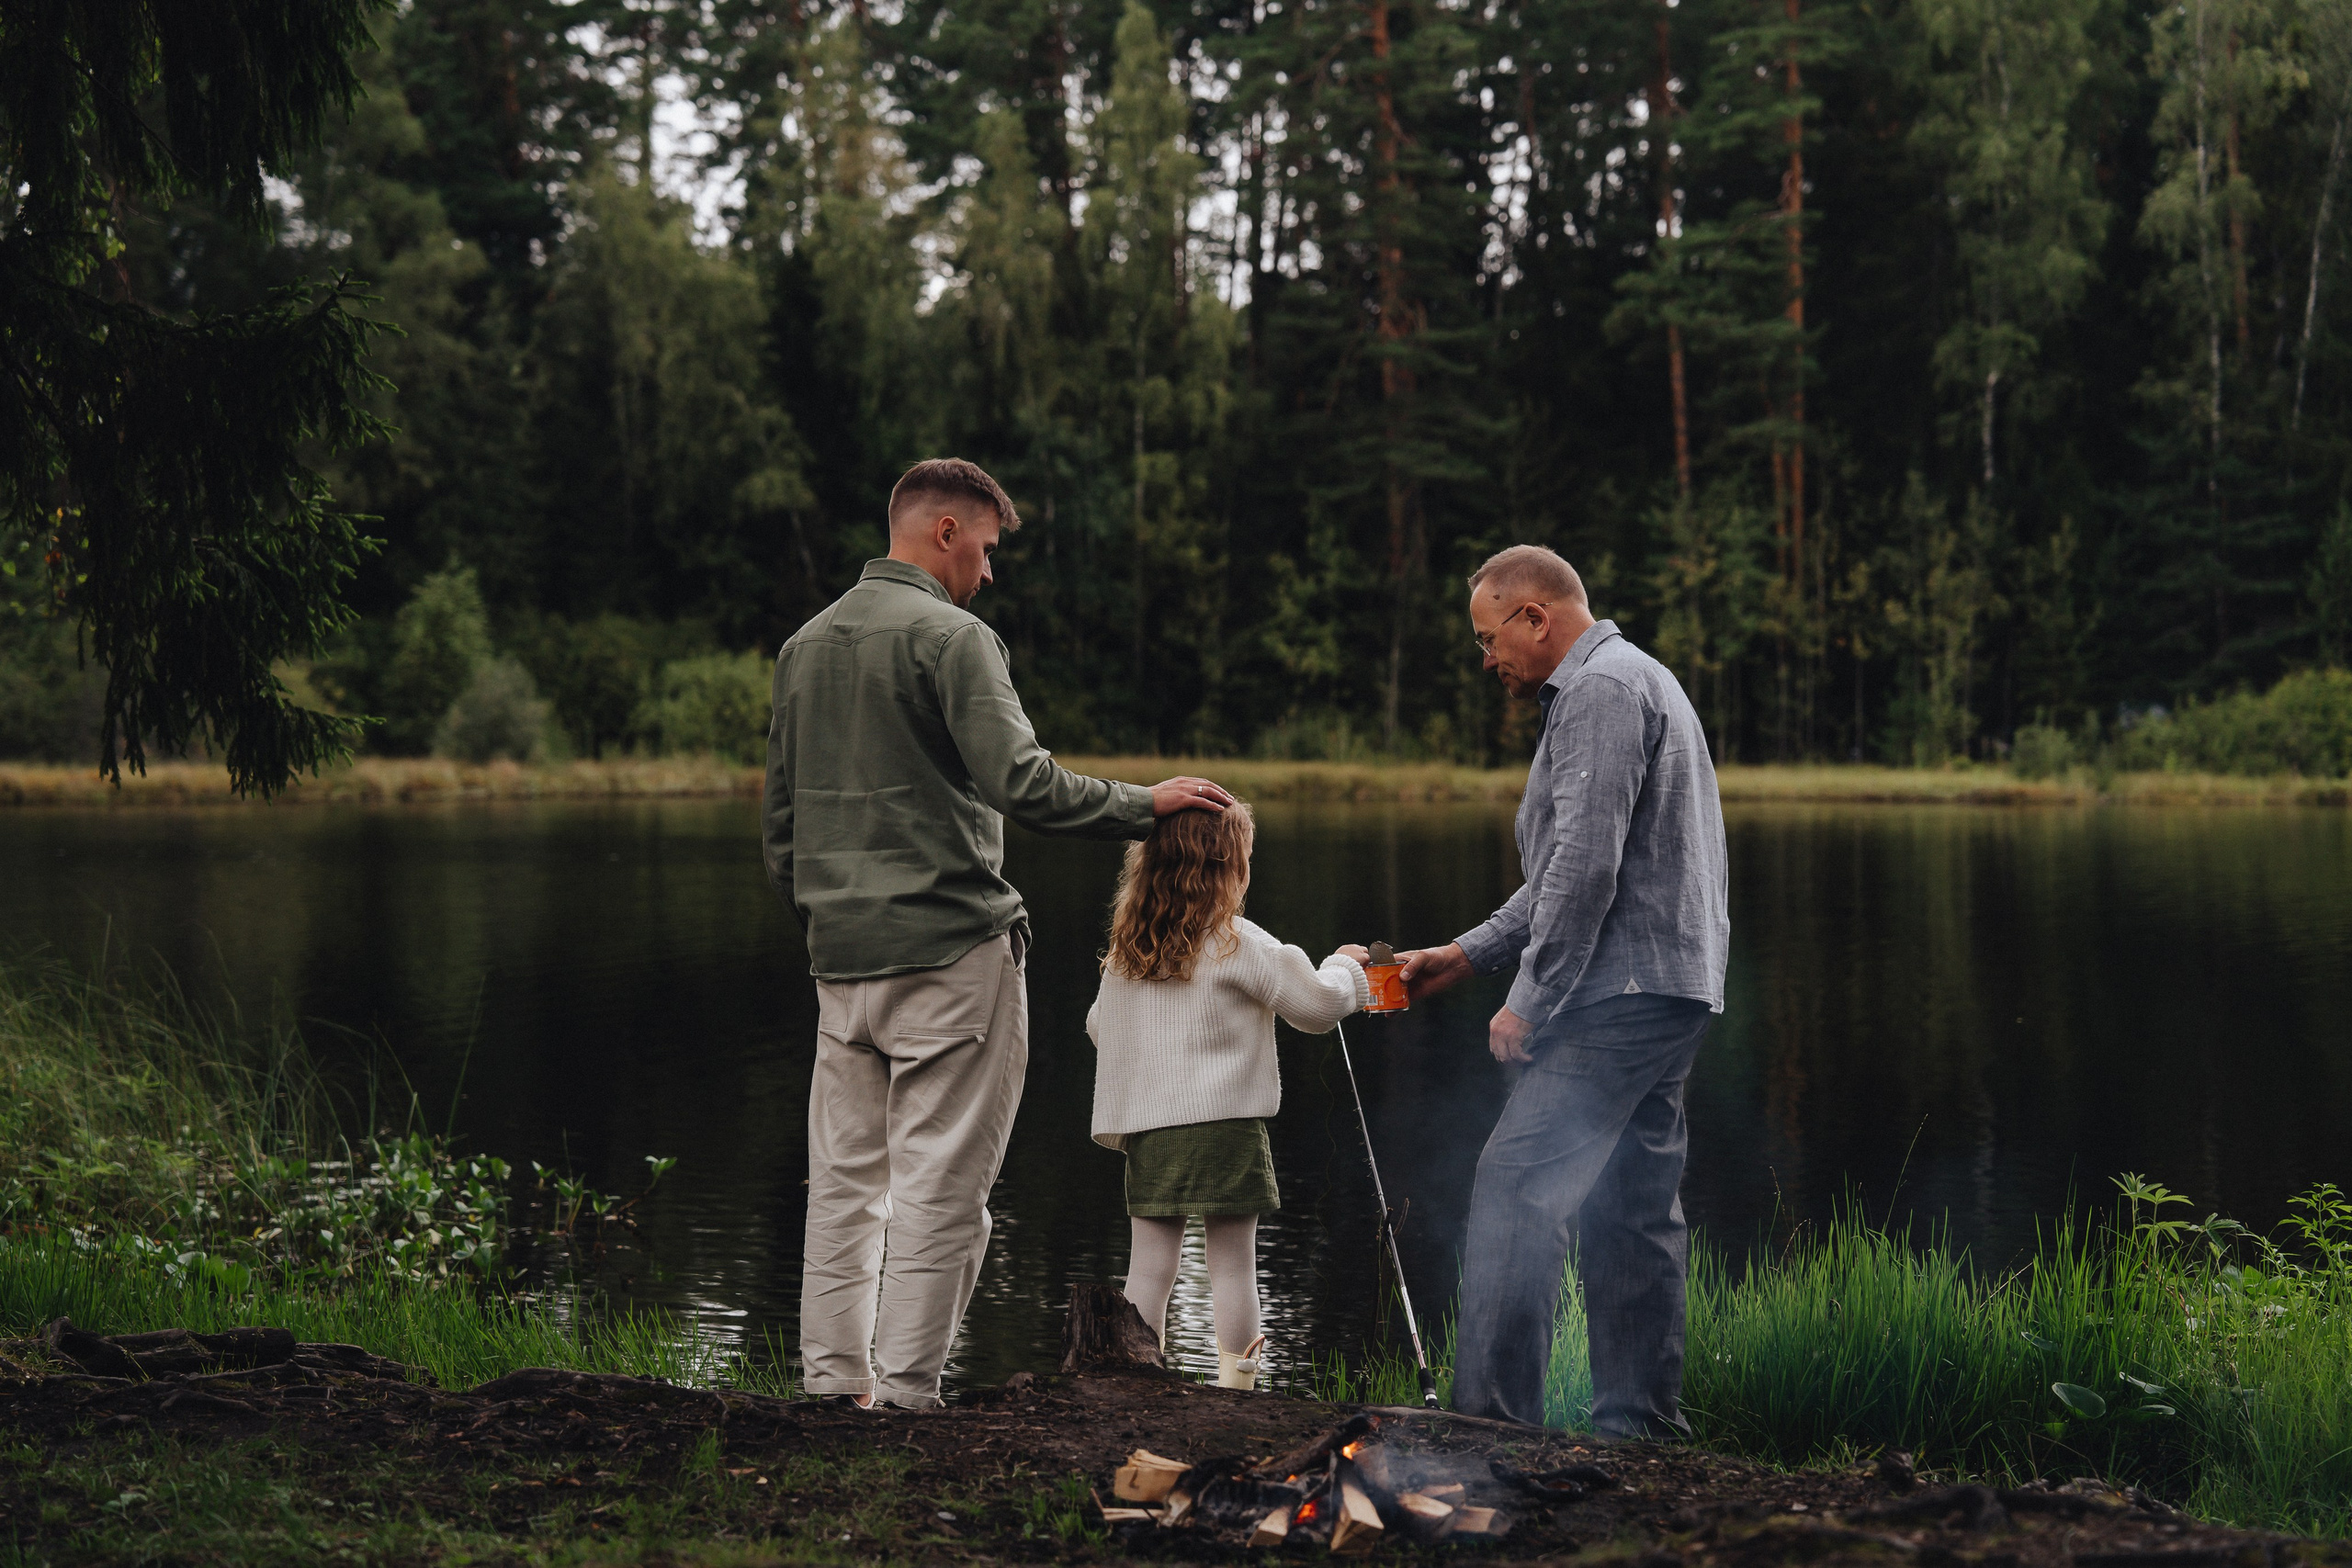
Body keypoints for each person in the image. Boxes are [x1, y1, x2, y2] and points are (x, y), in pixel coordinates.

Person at [763, 457, 1235, 1411]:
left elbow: (782, 827)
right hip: (951, 954)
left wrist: (828, 917)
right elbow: (1025, 783)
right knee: (942, 1185)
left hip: (840, 961)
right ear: (944, 532)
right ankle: (902, 1396)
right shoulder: (954, 637)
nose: (988, 571)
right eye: (983, 548)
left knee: (845, 1184)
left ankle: (829, 1388)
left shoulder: (803, 646)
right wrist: (1147, 804)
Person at [1398, 544, 1728, 1438]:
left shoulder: (1598, 694)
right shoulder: (1636, 680)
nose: (1486, 660)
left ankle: (1492, 1427)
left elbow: (1583, 873)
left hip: (1616, 993)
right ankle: (1638, 1429)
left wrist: (1529, 1000)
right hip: (1670, 988)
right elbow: (1562, 871)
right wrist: (1465, 956)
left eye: (1488, 638)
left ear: (1534, 617)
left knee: (1515, 1186)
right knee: (1632, 1209)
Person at [1085, 800, 1370, 1390]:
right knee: (1234, 1266)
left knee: (1150, 1268)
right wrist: (1343, 968)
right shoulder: (1236, 941)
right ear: (1229, 867)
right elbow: (1316, 1008)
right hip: (1226, 1128)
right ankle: (1237, 1389)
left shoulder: (1129, 952)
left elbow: (1097, 1025)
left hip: (1153, 1129)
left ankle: (1140, 1379)